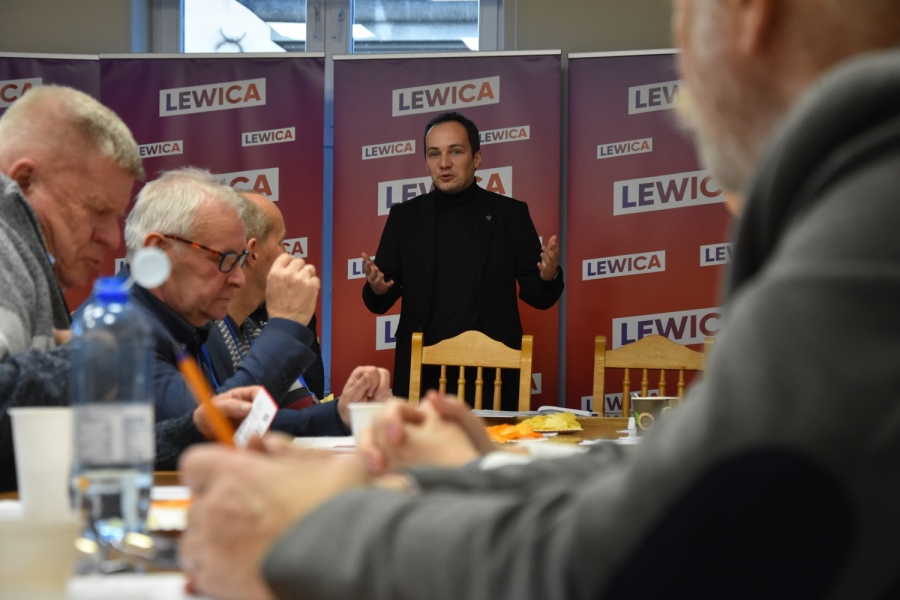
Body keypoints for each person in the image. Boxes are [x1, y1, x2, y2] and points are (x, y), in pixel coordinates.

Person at [179, 0, 900, 597]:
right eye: (433, 154)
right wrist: (473, 472)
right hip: (425, 387)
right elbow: (672, 478)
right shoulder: (405, 217)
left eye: (682, 15)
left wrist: (318, 523)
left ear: (748, 15)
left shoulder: (867, 227)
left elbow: (635, 544)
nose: (682, 76)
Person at [0, 86, 259, 491]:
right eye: (97, 210)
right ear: (25, 181)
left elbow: (64, 452)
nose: (110, 237)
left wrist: (191, 430)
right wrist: (87, 357)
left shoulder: (30, 261)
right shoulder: (6, 248)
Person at [121, 168, 387, 436]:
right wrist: (285, 327)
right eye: (224, 259)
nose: (238, 278)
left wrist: (339, 415)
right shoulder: (121, 332)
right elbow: (209, 432)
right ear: (159, 251)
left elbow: (243, 426)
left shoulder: (188, 324)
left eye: (239, 260)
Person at [361, 111, 564, 409]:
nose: (444, 163)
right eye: (434, 154)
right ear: (426, 161)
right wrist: (378, 289)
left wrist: (548, 276)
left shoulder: (510, 215)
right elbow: (380, 299)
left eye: (455, 151)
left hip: (493, 372)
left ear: (477, 158)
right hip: (422, 374)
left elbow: (537, 296)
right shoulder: (405, 217)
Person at [205, 192, 325, 409]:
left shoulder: (251, 330)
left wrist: (342, 410)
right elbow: (230, 420)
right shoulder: (202, 337)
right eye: (281, 242)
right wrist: (285, 326)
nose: (289, 254)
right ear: (253, 253)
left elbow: (297, 409)